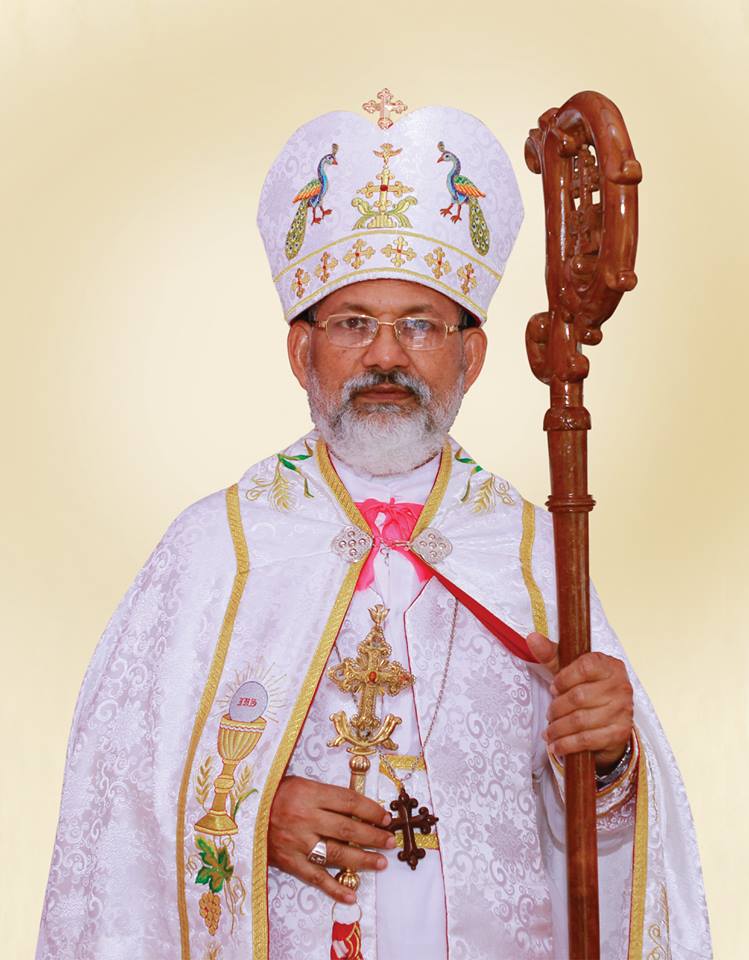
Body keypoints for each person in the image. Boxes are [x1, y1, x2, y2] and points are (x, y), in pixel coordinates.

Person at [35, 100, 711, 960]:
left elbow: (596, 836)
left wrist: (609, 756)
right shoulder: (214, 551)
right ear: (300, 352)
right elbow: (112, 801)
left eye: (420, 325)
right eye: (352, 323)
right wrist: (248, 815)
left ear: (470, 356)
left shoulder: (531, 555)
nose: (384, 357)